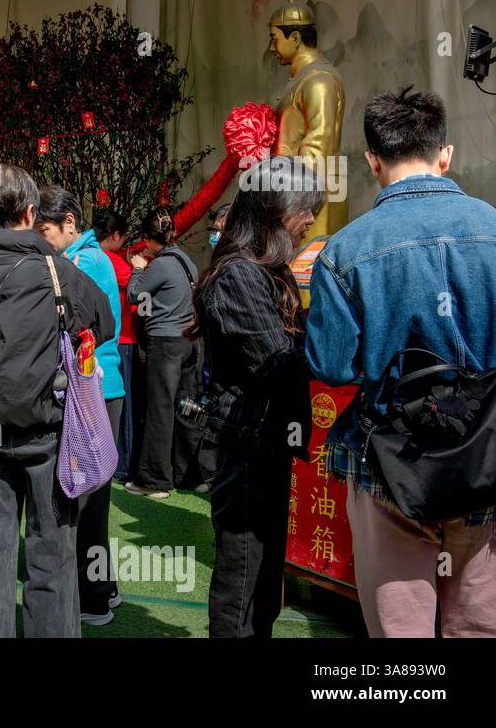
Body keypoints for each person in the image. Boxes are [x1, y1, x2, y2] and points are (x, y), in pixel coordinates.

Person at [307, 87, 496, 637]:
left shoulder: (342, 251)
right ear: (446, 155)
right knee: (480, 626)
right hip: (485, 458)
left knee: (400, 635)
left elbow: (334, 366)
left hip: (389, 463)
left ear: (372, 161)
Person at [0, 163, 115, 638]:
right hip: (47, 431)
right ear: (31, 211)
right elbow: (104, 322)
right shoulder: (58, 271)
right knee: (52, 553)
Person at [189, 157, 323, 637]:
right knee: (242, 578)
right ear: (272, 208)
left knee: (264, 577)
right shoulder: (240, 276)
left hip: (266, 441)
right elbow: (278, 365)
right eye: (304, 209)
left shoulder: (270, 271)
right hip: (243, 445)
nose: (309, 219)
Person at [36, 186, 126, 626]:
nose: (44, 238)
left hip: (96, 392)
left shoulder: (81, 262)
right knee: (95, 496)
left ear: (70, 223)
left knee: (87, 500)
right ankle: (102, 585)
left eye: (47, 230)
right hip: (101, 391)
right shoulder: (88, 258)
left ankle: (91, 598)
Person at [125, 208, 204, 499]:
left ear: (147, 239)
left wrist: (136, 267)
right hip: (190, 342)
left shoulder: (159, 265)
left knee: (160, 408)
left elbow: (136, 295)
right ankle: (189, 474)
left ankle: (155, 479)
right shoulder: (187, 261)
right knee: (186, 407)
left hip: (166, 342)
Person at [97, 211, 137, 490]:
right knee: (124, 409)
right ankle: (122, 464)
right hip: (123, 342)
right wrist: (140, 267)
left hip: (103, 345)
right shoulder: (113, 263)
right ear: (114, 236)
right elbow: (137, 285)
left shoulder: (87, 259)